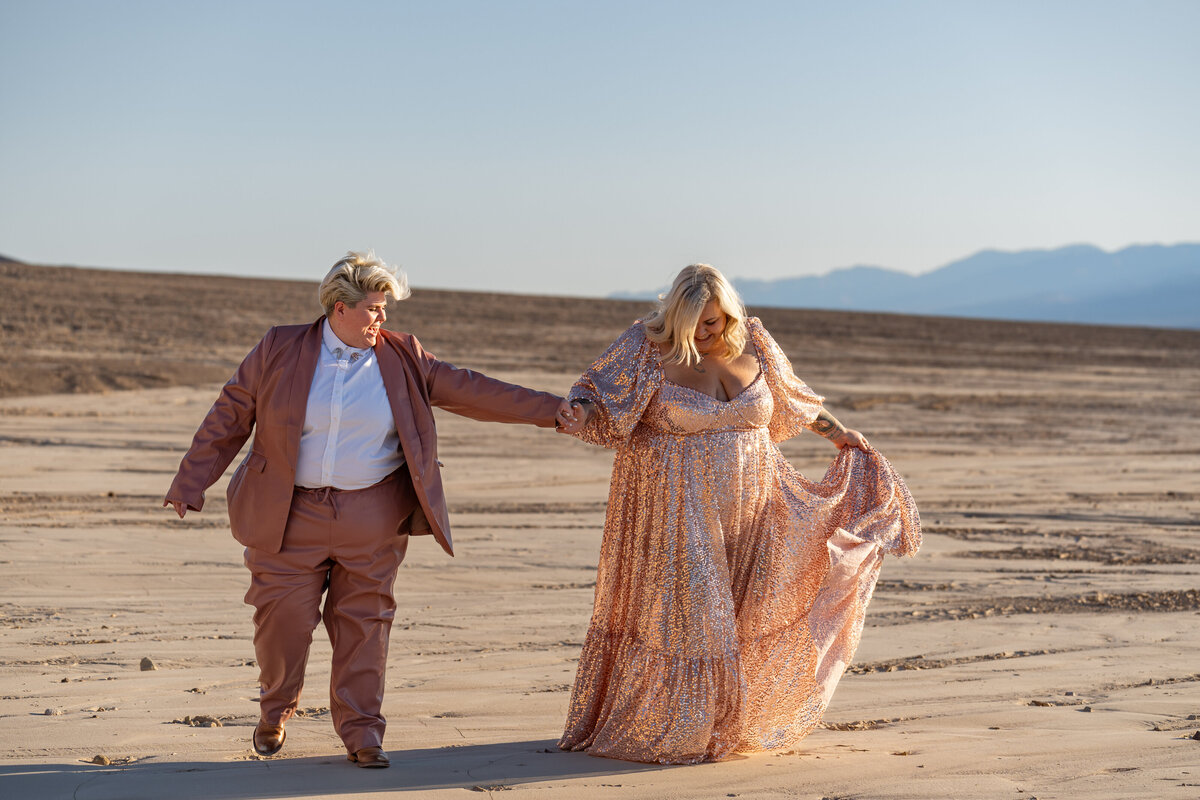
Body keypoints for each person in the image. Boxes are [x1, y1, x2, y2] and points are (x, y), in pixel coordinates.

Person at [163, 251, 573, 768]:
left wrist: (551, 412)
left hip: (373, 517)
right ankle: (275, 711)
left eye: (385, 308)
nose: (382, 319)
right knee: (281, 622)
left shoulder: (403, 356)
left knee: (366, 623)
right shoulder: (279, 347)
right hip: (288, 517)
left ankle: (362, 733)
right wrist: (191, 480)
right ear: (339, 308)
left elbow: (474, 390)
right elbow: (230, 413)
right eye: (374, 309)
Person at [555, 263, 921, 764]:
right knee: (699, 622)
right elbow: (597, 395)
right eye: (698, 324)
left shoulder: (754, 341)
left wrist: (838, 434)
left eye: (717, 321)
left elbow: (794, 399)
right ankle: (680, 728)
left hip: (757, 513)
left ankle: (722, 729)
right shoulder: (647, 346)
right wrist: (579, 412)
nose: (708, 333)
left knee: (747, 618)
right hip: (679, 514)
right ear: (676, 316)